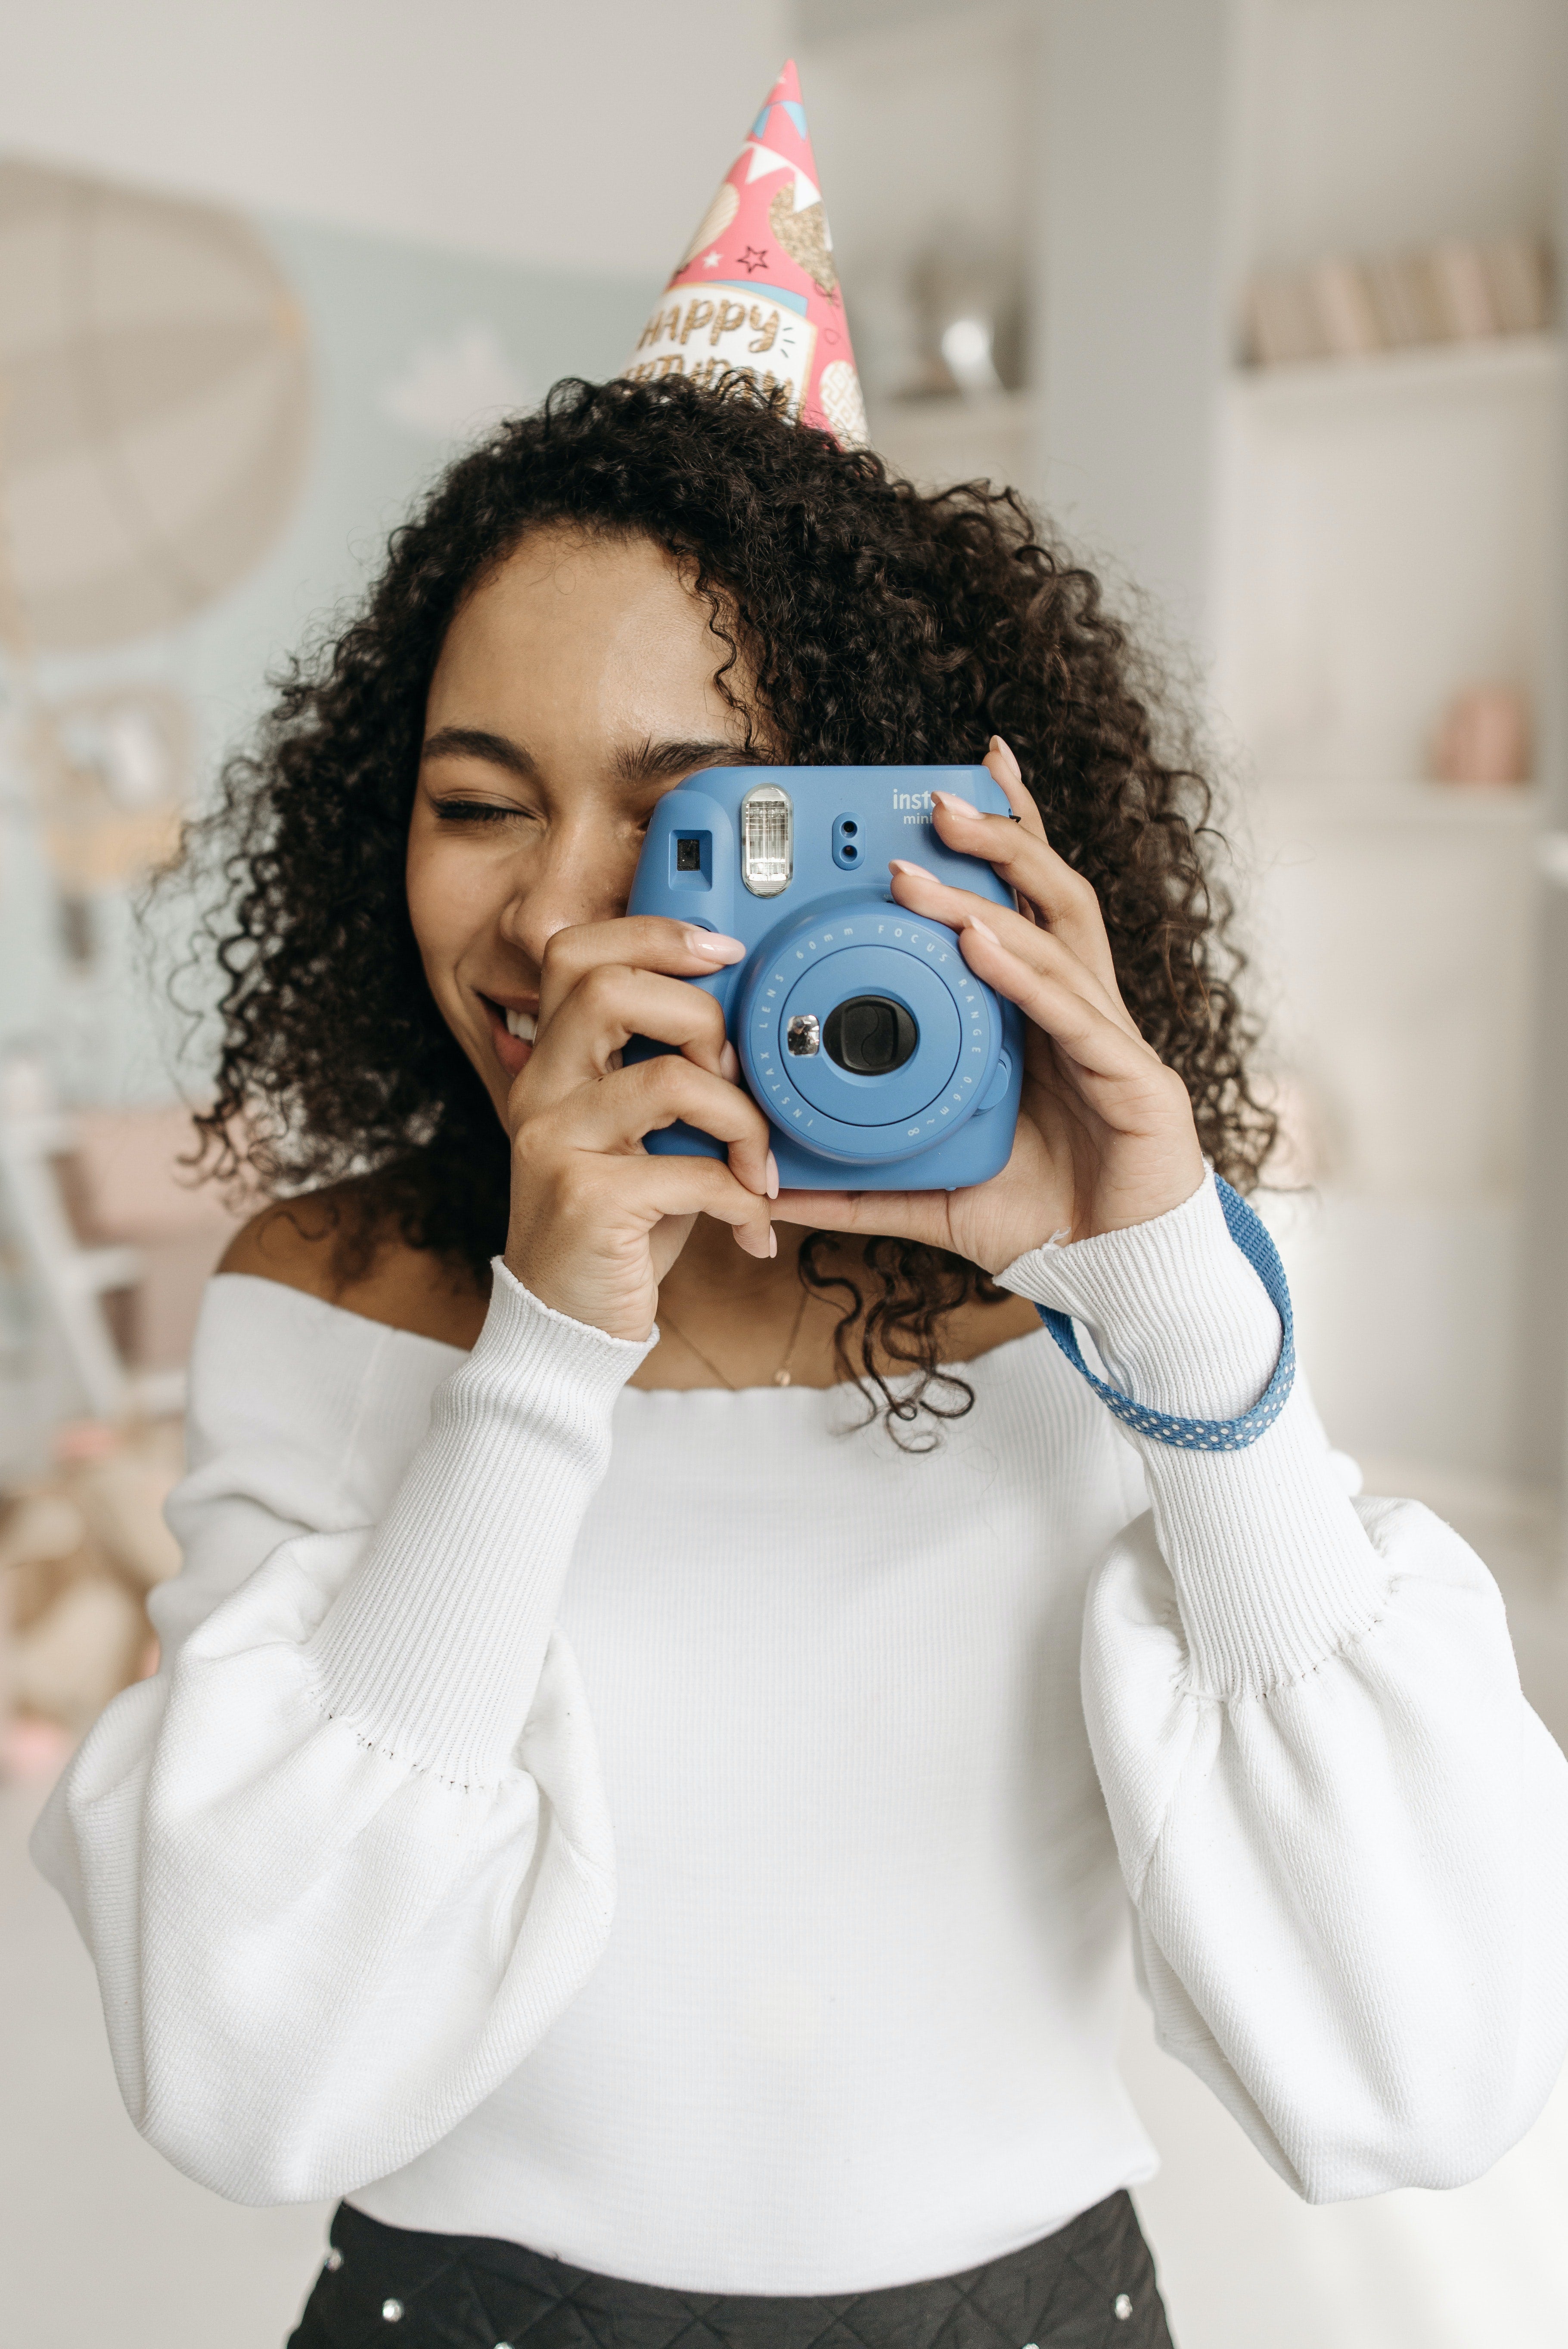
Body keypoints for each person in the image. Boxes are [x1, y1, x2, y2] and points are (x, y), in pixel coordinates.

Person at [29, 364, 1568, 2347]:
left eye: (692, 825)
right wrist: (542, 1347)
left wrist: (1180, 1308)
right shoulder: (328, 1295)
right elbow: (248, 2069)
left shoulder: (1101, 1299)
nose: (561, 916)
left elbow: (1426, 2062)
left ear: (886, 847)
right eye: (476, 801)